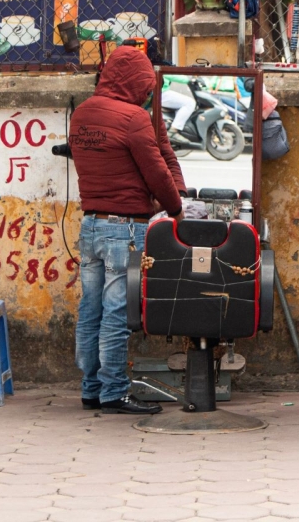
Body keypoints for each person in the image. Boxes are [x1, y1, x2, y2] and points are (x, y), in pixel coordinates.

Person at [68, 46, 186, 415]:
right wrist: (177, 207)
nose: (148, 91)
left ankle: (91, 389)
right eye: (146, 85)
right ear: (136, 82)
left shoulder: (82, 113)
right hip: (125, 230)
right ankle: (114, 392)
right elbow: (157, 173)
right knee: (117, 313)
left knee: (90, 311)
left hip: (90, 226)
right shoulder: (133, 117)